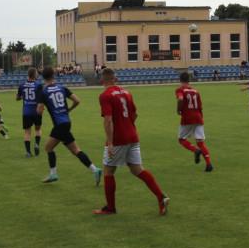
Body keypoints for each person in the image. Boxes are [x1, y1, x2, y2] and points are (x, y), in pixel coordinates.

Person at [95, 68, 169, 215]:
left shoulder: (105, 95)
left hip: (119, 139)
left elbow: (108, 120)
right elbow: (135, 114)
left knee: (108, 171)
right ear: (115, 79)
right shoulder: (126, 93)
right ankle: (161, 197)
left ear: (102, 80)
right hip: (133, 136)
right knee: (137, 169)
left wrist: (110, 143)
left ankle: (110, 208)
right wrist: (127, 124)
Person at [36, 66, 100, 184]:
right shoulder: (62, 88)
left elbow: (39, 111)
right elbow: (77, 100)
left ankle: (53, 174)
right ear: (54, 75)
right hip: (66, 122)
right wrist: (68, 109)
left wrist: (41, 108)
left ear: (43, 77)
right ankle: (94, 169)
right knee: (73, 150)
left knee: (50, 148)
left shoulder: (43, 92)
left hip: (59, 125)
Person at [176, 71, 212, 171]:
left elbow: (180, 99)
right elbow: (201, 106)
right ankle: (209, 164)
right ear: (189, 80)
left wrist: (178, 109)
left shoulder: (180, 89)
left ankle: (196, 151)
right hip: (198, 117)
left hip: (188, 117)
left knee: (181, 139)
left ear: (180, 80)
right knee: (200, 141)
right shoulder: (196, 91)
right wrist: (201, 118)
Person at [16, 68, 43, 156]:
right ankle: (36, 144)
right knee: (38, 129)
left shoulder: (22, 85)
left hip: (26, 112)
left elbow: (17, 98)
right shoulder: (39, 85)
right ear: (35, 74)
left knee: (27, 132)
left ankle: (28, 152)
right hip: (36, 111)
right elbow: (41, 98)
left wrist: (23, 97)